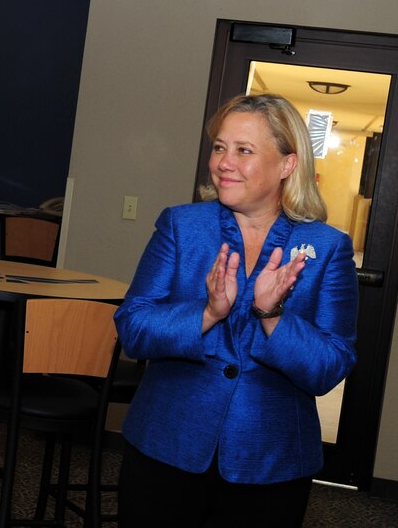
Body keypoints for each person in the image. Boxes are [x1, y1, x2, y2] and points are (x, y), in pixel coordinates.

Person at [113, 93, 357, 527]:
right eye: (220, 147)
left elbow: (329, 367)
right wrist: (207, 314)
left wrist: (273, 317)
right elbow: (132, 329)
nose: (224, 162)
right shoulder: (181, 226)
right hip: (167, 445)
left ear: (286, 165)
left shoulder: (327, 247)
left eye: (244, 150)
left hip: (271, 462)